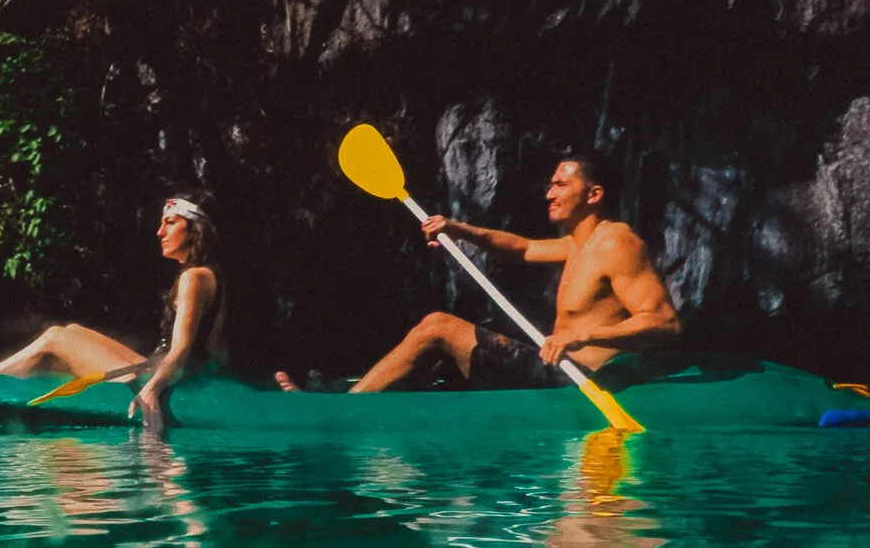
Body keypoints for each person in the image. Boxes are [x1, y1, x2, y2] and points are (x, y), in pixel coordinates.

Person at [282, 154, 678, 393]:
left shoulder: (616, 243)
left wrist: (584, 335)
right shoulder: (578, 243)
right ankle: (358, 392)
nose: (549, 193)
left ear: (593, 195)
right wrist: (455, 228)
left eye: (560, 184)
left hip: (579, 380)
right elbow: (520, 248)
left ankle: (348, 410)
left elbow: (664, 322)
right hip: (557, 370)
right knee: (445, 361)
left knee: (437, 326)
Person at [0, 197, 227, 431]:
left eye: (171, 223)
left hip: (162, 380)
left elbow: (181, 350)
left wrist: (153, 389)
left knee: (56, 337)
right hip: (167, 372)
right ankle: (0, 381)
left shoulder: (193, 278)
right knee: (72, 331)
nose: (160, 232)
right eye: (161, 223)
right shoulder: (209, 274)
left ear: (195, 230)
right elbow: (215, 351)